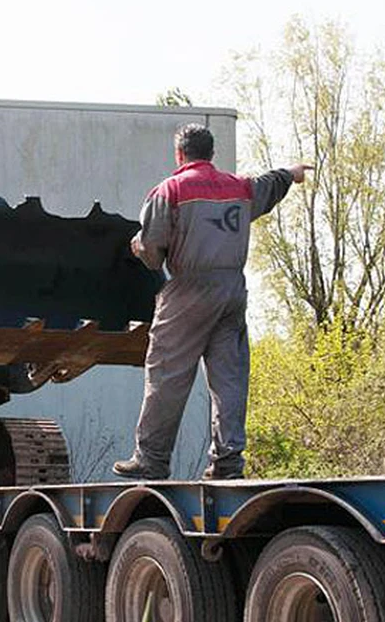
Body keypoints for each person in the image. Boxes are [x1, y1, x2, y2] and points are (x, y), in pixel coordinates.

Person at [112, 123, 312, 481]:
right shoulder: (240, 188)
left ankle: (153, 459)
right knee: (229, 378)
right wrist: (292, 173)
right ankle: (228, 462)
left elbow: (154, 251)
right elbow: (270, 184)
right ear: (211, 154)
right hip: (233, 291)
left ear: (179, 154)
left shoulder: (169, 191)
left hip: (189, 289)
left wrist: (137, 246)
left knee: (167, 374)